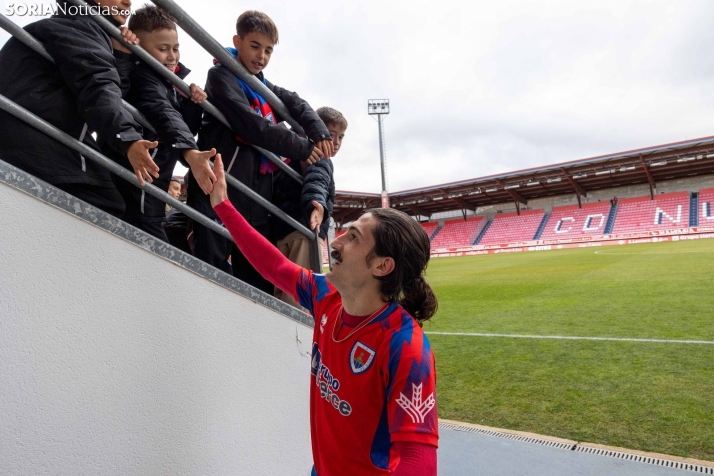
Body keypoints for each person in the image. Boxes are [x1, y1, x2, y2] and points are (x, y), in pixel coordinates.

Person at [210, 153, 439, 476]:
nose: (337, 242)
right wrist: (223, 206)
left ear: (381, 266)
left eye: (354, 237)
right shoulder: (326, 297)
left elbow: (419, 462)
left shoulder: (405, 347)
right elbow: (274, 266)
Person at [187, 10, 334, 293]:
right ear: (237, 41)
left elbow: (297, 103)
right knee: (212, 272)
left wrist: (320, 133)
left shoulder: (262, 86)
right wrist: (305, 148)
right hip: (217, 187)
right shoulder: (220, 76)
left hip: (257, 199)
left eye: (268, 50)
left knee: (257, 278)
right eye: (255, 46)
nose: (261, 56)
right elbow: (254, 127)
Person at [0, 0, 159, 216]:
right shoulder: (80, 26)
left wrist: (120, 54)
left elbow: (104, 86)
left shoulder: (73, 25)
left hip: (29, 138)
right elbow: (98, 86)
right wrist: (128, 138)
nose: (127, 2)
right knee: (109, 208)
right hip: (38, 144)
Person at [114, 5, 216, 241]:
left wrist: (189, 101)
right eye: (163, 49)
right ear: (138, 45)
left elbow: (183, 127)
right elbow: (163, 114)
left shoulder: (167, 83)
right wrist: (190, 152)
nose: (172, 56)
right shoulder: (142, 76)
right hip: (137, 187)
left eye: (176, 48)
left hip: (152, 188)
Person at [273, 107, 346, 308]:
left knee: (282, 296)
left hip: (283, 231)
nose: (337, 142)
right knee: (298, 302)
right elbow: (318, 180)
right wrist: (318, 204)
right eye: (331, 135)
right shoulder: (319, 155)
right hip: (305, 232)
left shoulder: (292, 151)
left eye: (341, 137)